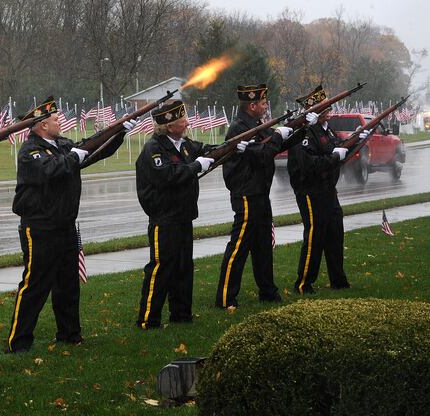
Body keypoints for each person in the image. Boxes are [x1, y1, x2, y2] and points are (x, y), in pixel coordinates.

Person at [6, 97, 136, 352]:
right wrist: (74, 156)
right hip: (40, 227)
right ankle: (18, 342)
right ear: (42, 125)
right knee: (35, 285)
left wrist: (119, 133)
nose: (60, 122)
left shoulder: (63, 145)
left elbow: (95, 151)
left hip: (65, 225)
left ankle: (69, 334)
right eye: (56, 119)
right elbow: (51, 170)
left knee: (68, 285)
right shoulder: (30, 151)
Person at [215, 84, 299, 309]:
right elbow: (264, 154)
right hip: (246, 194)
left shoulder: (256, 125)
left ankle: (268, 292)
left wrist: (300, 128)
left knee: (263, 247)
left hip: (260, 193)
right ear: (252, 106)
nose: (266, 107)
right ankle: (225, 297)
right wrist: (278, 135)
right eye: (263, 103)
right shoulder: (240, 128)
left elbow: (277, 144)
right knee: (238, 248)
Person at [135, 100, 216, 328]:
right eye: (182, 121)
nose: (187, 123)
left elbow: (205, 149)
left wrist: (230, 146)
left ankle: (181, 315)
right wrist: (196, 166)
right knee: (161, 269)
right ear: (169, 126)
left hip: (183, 215)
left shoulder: (184, 144)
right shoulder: (154, 148)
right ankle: (148, 319)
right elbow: (167, 176)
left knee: (183, 268)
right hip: (164, 218)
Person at [288, 85, 369, 294]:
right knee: (314, 236)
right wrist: (334, 156)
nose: (329, 109)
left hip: (328, 190)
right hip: (310, 191)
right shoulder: (304, 133)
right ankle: (303, 283)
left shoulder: (327, 129)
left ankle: (338, 280)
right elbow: (310, 165)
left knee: (335, 234)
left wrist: (359, 138)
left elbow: (340, 148)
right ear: (314, 111)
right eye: (325, 106)